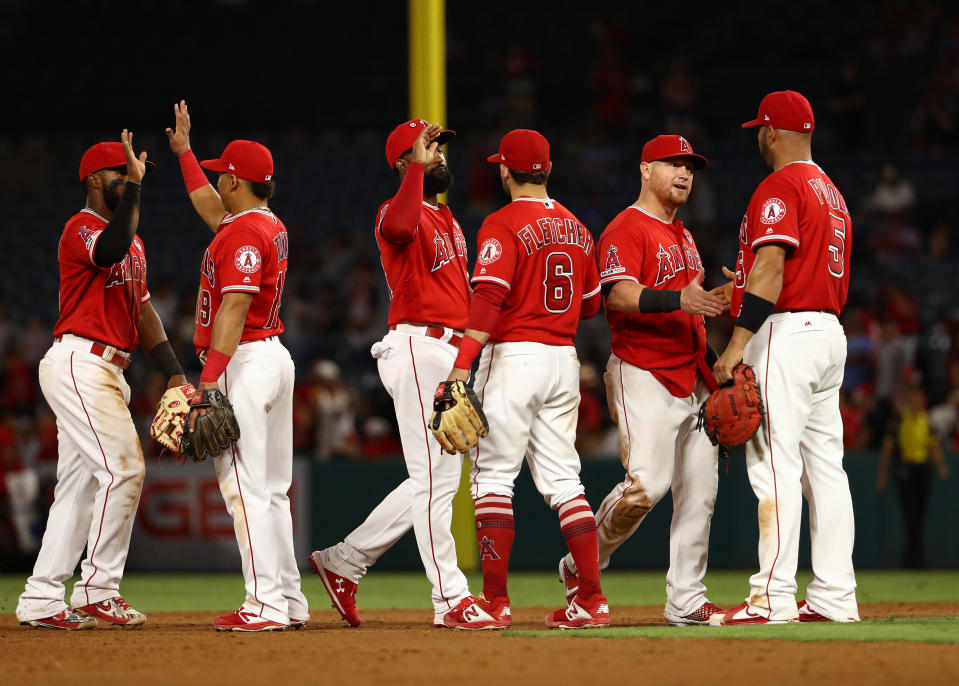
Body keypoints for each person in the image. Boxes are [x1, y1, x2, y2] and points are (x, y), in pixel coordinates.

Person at [17, 133, 190, 629]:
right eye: (123, 173)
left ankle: (42, 598)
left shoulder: (134, 240)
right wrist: (133, 193)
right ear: (94, 180)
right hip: (80, 361)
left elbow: (144, 312)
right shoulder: (82, 227)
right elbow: (106, 252)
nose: (134, 179)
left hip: (110, 368)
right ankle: (98, 587)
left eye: (138, 174)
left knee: (78, 487)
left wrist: (175, 373)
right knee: (125, 469)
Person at [308, 119, 475, 628]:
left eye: (442, 145)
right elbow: (400, 228)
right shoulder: (394, 210)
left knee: (437, 481)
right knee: (434, 480)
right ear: (405, 161)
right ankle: (451, 598)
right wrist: (417, 172)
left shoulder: (447, 218)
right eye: (430, 146)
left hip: (449, 352)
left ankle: (346, 560)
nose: (440, 153)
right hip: (418, 345)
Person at [440, 129, 607, 630]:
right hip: (564, 359)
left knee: (493, 479)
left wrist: (462, 362)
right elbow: (593, 304)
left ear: (505, 170)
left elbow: (489, 298)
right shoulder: (579, 227)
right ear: (548, 169)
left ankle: (495, 602)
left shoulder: (502, 221)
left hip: (514, 356)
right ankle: (592, 600)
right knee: (565, 481)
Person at [558, 135, 728, 626]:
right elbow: (618, 295)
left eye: (690, 167)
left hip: (691, 375)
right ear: (645, 169)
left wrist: (717, 355)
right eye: (673, 164)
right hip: (642, 370)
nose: (684, 173)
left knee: (700, 490)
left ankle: (686, 598)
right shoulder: (625, 228)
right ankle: (583, 564)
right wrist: (681, 301)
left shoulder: (686, 237)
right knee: (646, 487)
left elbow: (693, 314)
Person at [711, 91, 859, 624]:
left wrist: (735, 345)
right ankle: (835, 596)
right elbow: (785, 269)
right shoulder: (832, 191)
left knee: (774, 464)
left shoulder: (781, 184)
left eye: (760, 129)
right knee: (826, 470)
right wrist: (748, 285)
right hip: (828, 334)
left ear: (772, 133)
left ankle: (769, 597)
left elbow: (773, 271)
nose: (758, 137)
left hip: (788, 333)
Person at [166, 101, 308, 631]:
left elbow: (233, 307)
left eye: (221, 173)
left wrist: (206, 383)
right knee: (271, 490)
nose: (216, 180)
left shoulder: (244, 234)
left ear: (235, 181)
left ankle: (264, 604)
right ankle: (289, 600)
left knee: (244, 489)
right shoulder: (260, 222)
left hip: (244, 361)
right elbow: (210, 210)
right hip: (271, 357)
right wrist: (184, 156)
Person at [877, 385, 950, 568]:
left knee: (920, 514)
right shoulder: (900, 420)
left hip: (922, 470)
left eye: (920, 401)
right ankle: (911, 557)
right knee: (909, 514)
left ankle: (914, 556)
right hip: (905, 470)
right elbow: (888, 450)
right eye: (914, 401)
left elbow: (933, 445)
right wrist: (883, 475)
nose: (918, 404)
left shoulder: (926, 421)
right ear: (909, 402)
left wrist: (941, 465)